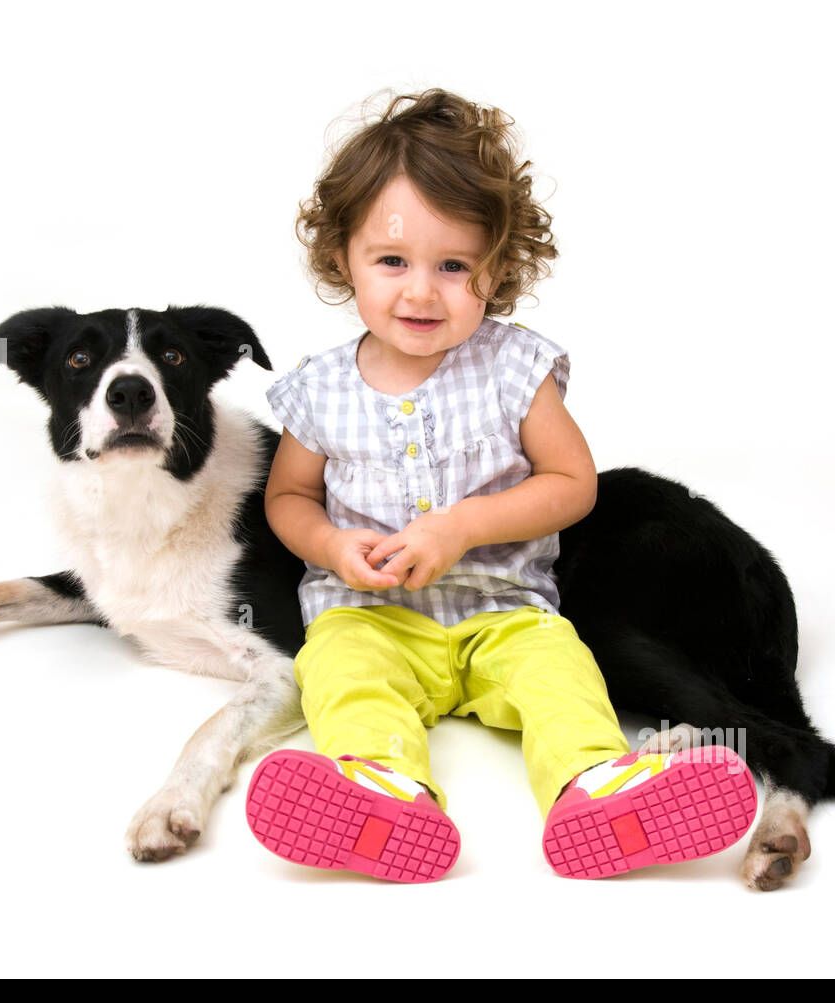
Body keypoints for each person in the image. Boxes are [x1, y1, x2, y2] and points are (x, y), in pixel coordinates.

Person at [244, 88, 755, 883]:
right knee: (341, 673)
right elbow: (288, 498)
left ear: (499, 267)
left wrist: (463, 527)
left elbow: (572, 483)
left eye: (454, 266)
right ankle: (383, 791)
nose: (421, 291)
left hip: (504, 610)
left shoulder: (514, 369)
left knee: (561, 675)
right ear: (342, 255)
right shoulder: (318, 390)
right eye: (392, 261)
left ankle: (597, 788)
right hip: (371, 613)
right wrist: (331, 544)